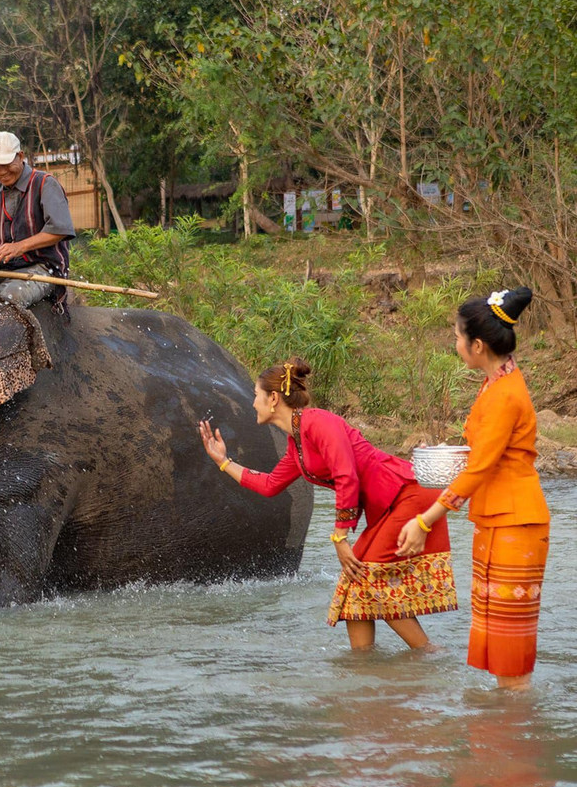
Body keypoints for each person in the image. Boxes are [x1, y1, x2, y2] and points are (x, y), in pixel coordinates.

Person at [199, 358, 457, 651]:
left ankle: (430, 655)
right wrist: (223, 462)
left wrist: (340, 537)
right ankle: (361, 669)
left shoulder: (318, 422)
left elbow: (346, 475)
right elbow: (270, 485)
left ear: (273, 399)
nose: (253, 404)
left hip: (406, 496)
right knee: (352, 588)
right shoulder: (297, 445)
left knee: (367, 578)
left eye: (256, 396)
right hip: (388, 507)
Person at [397, 287, 548, 690]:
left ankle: (510, 740)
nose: (455, 343)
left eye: (457, 336)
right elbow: (485, 454)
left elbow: (481, 467)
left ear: (477, 345)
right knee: (501, 646)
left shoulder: (503, 396)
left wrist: (425, 521)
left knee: (510, 656)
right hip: (500, 520)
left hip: (516, 523)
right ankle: (501, 736)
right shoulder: (497, 381)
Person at [0, 131, 76, 310]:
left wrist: (19, 246)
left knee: (9, 297)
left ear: (20, 156)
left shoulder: (45, 184)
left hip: (43, 267)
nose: (1, 172)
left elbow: (59, 230)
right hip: (5, 266)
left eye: (5, 163)